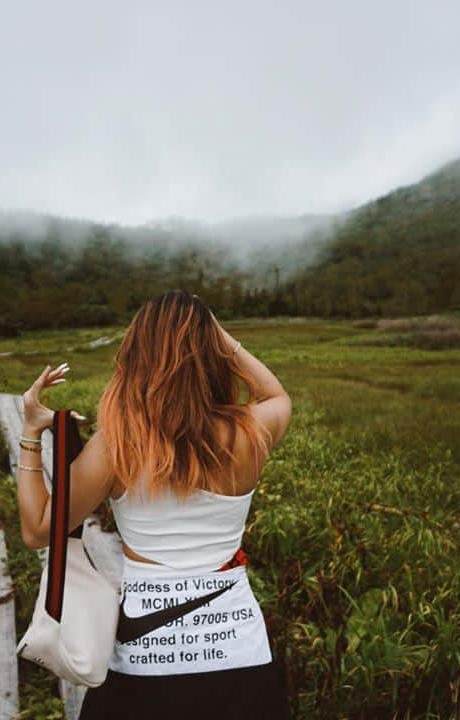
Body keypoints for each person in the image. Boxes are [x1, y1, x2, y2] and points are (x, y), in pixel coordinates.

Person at [15, 290, 293, 719]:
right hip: (240, 654)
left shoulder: (118, 445)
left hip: (144, 661)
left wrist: (32, 432)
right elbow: (276, 394)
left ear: (136, 356)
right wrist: (220, 338)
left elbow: (38, 529)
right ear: (212, 353)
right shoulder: (250, 431)